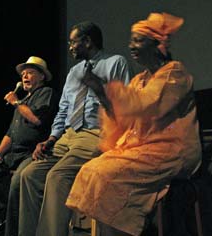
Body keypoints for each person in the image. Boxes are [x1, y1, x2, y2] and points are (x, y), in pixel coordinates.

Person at [66, 12, 203, 236]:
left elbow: (145, 105)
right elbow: (124, 118)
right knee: (90, 170)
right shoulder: (140, 80)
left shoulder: (174, 73)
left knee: (106, 175)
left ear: (158, 44)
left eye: (138, 40)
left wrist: (103, 89)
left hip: (172, 149)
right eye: (131, 40)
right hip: (142, 146)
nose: (131, 46)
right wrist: (102, 95)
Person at [18, 21, 132, 236]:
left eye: (73, 42)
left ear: (87, 42)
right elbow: (63, 111)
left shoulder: (115, 63)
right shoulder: (74, 72)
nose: (70, 47)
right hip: (68, 136)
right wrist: (51, 139)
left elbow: (124, 108)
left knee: (58, 176)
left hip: (94, 133)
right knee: (29, 175)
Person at [0, 56, 59, 236]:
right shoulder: (23, 102)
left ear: (42, 76)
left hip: (31, 154)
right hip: (13, 154)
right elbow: (11, 133)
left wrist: (16, 102)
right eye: (23, 74)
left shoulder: (46, 92)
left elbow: (37, 120)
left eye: (30, 73)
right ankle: (3, 216)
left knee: (17, 182)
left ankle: (12, 230)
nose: (25, 77)